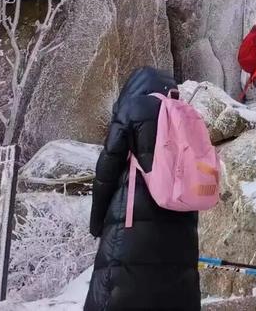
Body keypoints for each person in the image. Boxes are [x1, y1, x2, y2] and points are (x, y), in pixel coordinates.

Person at [84, 66, 200, 311]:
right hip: (182, 230)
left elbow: (107, 169)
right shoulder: (188, 116)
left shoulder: (134, 109)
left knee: (117, 294)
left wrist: (97, 223)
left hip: (130, 228)